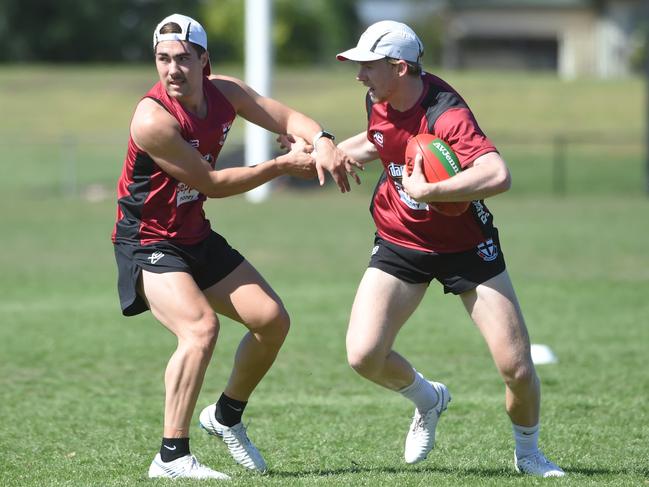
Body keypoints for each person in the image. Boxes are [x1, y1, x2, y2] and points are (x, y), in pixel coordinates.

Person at [112, 13, 358, 480]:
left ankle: (225, 416)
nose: (172, 70)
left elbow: (287, 117)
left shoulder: (225, 92)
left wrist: (323, 140)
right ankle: (171, 456)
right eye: (163, 59)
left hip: (193, 232)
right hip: (147, 240)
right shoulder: (153, 119)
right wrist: (283, 165)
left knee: (271, 321)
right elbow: (214, 182)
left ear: (204, 60)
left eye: (183, 58)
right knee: (199, 330)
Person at [335, 20, 565, 478]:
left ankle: (529, 454)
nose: (359, 75)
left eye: (367, 66)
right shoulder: (377, 99)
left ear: (399, 67)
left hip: (466, 247)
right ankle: (428, 398)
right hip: (400, 241)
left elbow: (498, 174)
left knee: (517, 369)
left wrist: (430, 191)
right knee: (364, 355)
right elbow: (381, 140)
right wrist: (331, 153)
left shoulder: (447, 115)